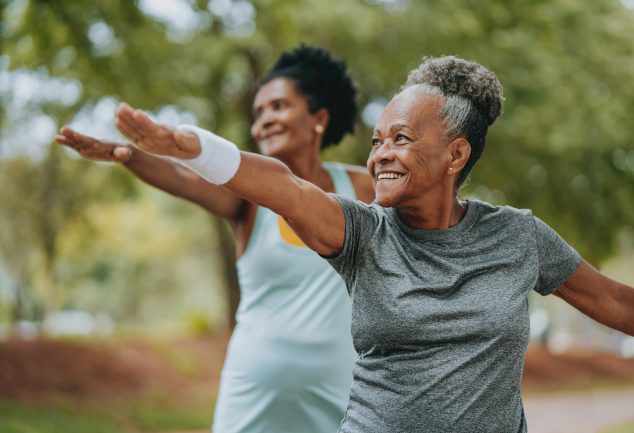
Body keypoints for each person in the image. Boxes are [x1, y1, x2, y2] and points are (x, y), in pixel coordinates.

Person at [107, 54, 634, 433]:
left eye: (401, 139)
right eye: (377, 140)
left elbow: (613, 301)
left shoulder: (518, 236)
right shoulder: (360, 232)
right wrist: (197, 150)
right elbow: (285, 187)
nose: (381, 154)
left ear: (455, 155)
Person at [56, 45, 374, 433]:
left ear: (319, 118)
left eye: (278, 107)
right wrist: (129, 155)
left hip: (342, 391)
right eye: (258, 113)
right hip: (254, 392)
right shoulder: (250, 202)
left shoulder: (360, 188)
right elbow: (184, 178)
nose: (264, 122)